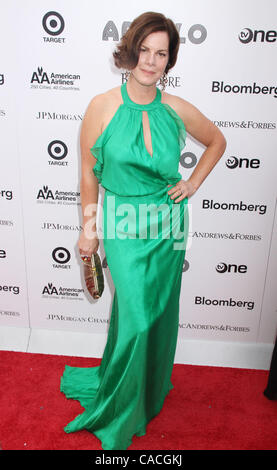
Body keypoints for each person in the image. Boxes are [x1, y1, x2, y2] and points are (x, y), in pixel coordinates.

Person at [60, 11, 227, 450]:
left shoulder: (175, 109)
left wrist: (191, 183)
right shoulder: (102, 105)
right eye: (145, 51)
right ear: (129, 52)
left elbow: (217, 141)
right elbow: (88, 173)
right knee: (134, 314)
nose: (151, 62)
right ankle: (121, 404)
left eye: (161, 54)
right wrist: (89, 230)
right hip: (121, 221)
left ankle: (147, 394)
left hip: (168, 223)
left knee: (156, 314)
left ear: (169, 61)